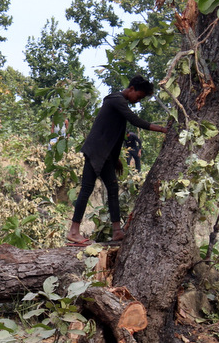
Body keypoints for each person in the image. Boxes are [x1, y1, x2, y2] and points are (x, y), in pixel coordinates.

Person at [65, 75, 168, 246]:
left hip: (104, 154)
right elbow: (135, 120)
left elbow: (114, 134)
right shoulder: (116, 100)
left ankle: (117, 231)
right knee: (87, 189)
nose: (138, 101)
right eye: (139, 96)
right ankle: (74, 231)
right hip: (96, 151)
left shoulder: (119, 103)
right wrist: (163, 129)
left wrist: (115, 158)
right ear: (132, 89)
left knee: (112, 189)